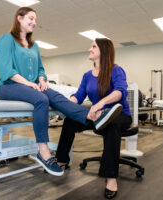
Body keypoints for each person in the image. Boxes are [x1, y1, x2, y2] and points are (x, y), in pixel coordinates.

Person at [0, 7, 122, 177]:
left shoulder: (34, 46)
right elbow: (5, 70)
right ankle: (43, 151)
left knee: (55, 95)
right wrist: (29, 84)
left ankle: (93, 116)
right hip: (8, 86)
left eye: (35, 20)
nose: (34, 22)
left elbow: (40, 69)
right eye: (31, 18)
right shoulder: (6, 39)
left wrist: (41, 80)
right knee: (42, 100)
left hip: (31, 86)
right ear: (19, 18)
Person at [55, 38, 132, 199]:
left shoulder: (116, 70)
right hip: (98, 116)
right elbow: (79, 96)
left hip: (119, 115)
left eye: (93, 46)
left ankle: (110, 177)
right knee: (70, 121)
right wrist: (67, 105)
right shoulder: (87, 75)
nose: (89, 49)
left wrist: (100, 104)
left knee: (111, 125)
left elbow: (120, 92)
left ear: (104, 50)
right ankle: (62, 160)